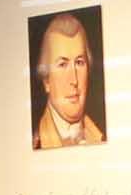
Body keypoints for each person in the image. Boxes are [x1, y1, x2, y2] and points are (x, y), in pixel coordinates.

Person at [33, 13, 104, 147]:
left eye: (79, 62)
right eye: (62, 65)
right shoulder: (37, 142)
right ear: (46, 81)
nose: (74, 80)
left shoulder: (100, 136)